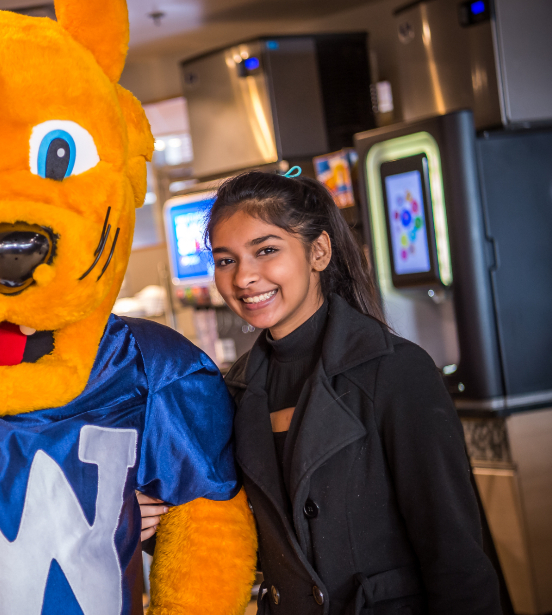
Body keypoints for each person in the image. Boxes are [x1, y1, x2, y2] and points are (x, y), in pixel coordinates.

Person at [141, 170, 501, 614]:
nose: (244, 278)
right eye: (225, 260)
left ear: (319, 251)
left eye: (266, 251)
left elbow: (455, 554)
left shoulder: (394, 371)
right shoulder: (233, 390)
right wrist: (147, 522)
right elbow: (243, 540)